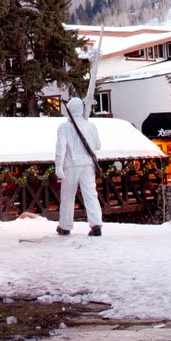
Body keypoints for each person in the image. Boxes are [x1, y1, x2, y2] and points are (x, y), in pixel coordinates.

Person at [54, 96, 103, 237]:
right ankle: (96, 225)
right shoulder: (90, 126)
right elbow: (98, 145)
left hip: (71, 166)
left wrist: (58, 166)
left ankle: (65, 226)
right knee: (91, 195)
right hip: (88, 165)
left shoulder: (64, 127)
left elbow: (60, 148)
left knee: (68, 196)